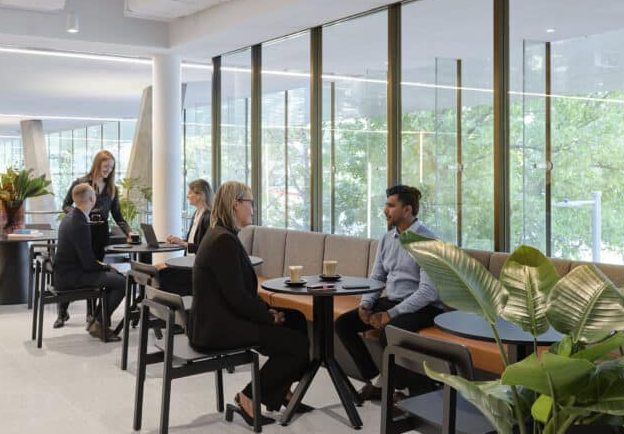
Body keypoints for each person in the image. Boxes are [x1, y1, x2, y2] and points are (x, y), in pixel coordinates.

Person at [188, 181, 310, 426]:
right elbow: (238, 298)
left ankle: (281, 391)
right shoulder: (223, 241)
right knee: (296, 343)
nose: (253, 209)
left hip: (218, 320)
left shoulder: (222, 235)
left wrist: (268, 311)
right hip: (218, 329)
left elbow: (239, 294)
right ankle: (248, 396)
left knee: (296, 320)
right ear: (236, 204)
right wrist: (268, 316)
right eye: (250, 203)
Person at [334, 185, 443, 402]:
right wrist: (366, 304)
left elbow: (427, 293)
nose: (386, 210)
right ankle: (379, 382)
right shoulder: (387, 239)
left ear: (408, 210)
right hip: (393, 301)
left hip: (424, 307)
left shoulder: (428, 241)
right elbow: (377, 278)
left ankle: (407, 393)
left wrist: (390, 314)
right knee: (344, 324)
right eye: (386, 205)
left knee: (389, 331)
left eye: (391, 206)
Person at [55, 150, 131, 328]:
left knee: (93, 271)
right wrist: (79, 216)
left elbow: (117, 215)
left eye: (111, 168)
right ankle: (62, 312)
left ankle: (92, 314)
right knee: (81, 265)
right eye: (106, 166)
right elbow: (66, 205)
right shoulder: (82, 184)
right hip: (82, 229)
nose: (108, 170)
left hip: (99, 234)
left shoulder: (112, 189)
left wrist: (128, 231)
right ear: (97, 164)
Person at [166, 179, 213, 254]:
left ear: (199, 195)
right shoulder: (196, 214)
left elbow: (206, 248)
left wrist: (182, 243)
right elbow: (191, 241)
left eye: (190, 193)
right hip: (189, 259)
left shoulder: (208, 217)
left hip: (197, 262)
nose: (188, 196)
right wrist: (178, 241)